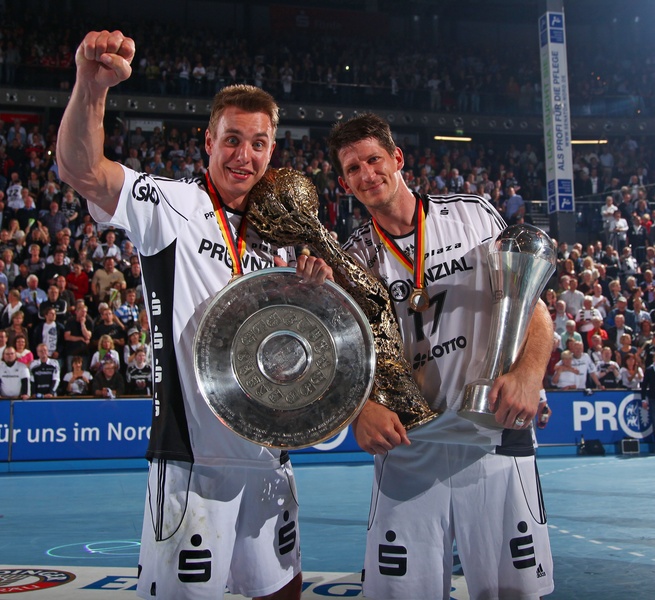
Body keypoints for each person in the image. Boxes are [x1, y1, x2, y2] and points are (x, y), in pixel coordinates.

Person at [56, 30, 330, 600]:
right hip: (191, 461)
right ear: (208, 141)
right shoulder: (171, 205)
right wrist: (91, 86)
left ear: (272, 152)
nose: (244, 156)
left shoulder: (280, 238)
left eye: (258, 144)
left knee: (283, 591)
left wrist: (315, 296)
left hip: (269, 456)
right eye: (232, 140)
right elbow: (82, 170)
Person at [326, 113, 554, 599]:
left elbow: (529, 302)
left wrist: (530, 373)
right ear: (344, 183)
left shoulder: (472, 214)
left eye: (374, 160)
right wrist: (360, 411)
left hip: (493, 432)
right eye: (353, 169)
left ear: (397, 159)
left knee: (513, 593)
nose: (367, 174)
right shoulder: (352, 259)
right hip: (408, 446)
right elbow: (346, 354)